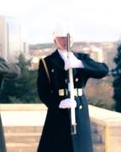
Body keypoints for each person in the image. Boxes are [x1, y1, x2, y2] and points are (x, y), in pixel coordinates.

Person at [37, 22, 109, 152]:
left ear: (73, 39)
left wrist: (80, 64)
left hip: (78, 106)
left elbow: (103, 70)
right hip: (59, 111)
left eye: (67, 37)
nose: (65, 41)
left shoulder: (81, 58)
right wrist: (59, 103)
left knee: (80, 146)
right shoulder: (47, 62)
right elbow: (43, 92)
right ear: (55, 40)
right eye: (61, 38)